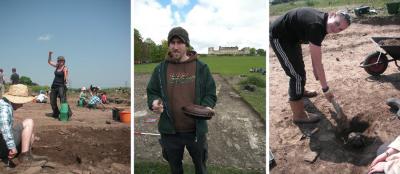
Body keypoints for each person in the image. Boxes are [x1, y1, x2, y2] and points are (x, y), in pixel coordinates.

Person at [147, 26, 217, 174]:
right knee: (175, 168)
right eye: (172, 42)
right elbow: (152, 92)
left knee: (200, 166)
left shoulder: (201, 67)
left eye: (180, 42)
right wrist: (154, 102)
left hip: (196, 132)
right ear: (169, 45)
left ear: (187, 45)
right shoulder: (160, 69)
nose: (176, 46)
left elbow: (210, 93)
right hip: (170, 132)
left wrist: (206, 107)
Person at [269, 7, 351, 123]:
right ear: (332, 15)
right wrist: (326, 90)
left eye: (340, 29)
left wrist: (314, 68)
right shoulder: (316, 26)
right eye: (337, 23)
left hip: (293, 37)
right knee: (297, 76)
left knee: (299, 69)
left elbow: (314, 48)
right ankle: (299, 115)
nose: (336, 29)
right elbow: (319, 63)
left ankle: (300, 90)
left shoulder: (324, 23)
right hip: (280, 36)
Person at [0, 84, 48, 167]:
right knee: (29, 122)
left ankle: (28, 155)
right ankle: (25, 159)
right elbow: (5, 128)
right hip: (2, 145)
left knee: (30, 136)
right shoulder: (4, 108)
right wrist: (12, 146)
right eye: (22, 102)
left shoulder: (3, 104)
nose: (22, 105)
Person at [48, 51, 72, 119]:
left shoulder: (65, 68)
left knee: (63, 100)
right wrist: (49, 54)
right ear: (58, 61)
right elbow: (49, 62)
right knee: (52, 101)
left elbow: (66, 76)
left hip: (61, 86)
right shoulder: (57, 66)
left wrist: (66, 80)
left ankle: (67, 113)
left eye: (62, 61)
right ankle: (56, 113)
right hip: (54, 86)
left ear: (64, 61)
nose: (61, 62)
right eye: (59, 60)